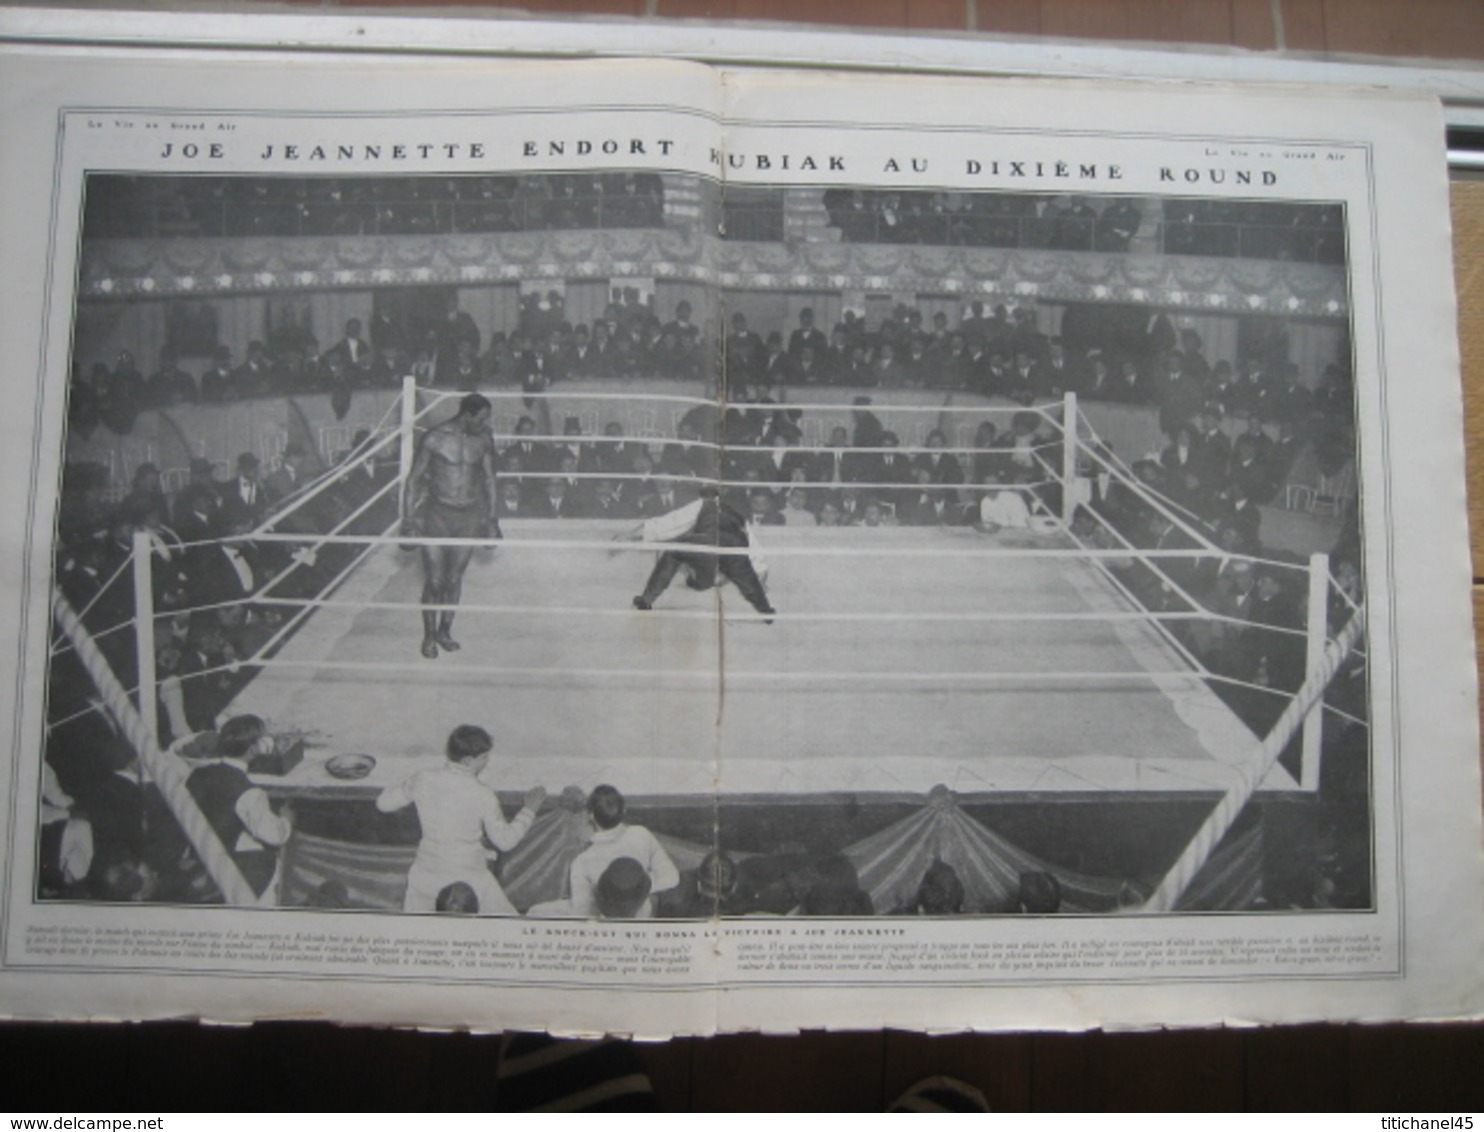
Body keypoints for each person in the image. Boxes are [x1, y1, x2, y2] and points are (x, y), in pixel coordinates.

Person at [375, 724, 545, 915]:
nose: (487, 762)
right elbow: (505, 842)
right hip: (469, 879)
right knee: (507, 926)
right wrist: (529, 810)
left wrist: (407, 782)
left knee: (419, 930)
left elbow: (383, 804)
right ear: (467, 760)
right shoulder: (483, 794)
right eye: (484, 757)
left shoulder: (423, 779)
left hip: (426, 876)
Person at [401, 393, 501, 659]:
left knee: (454, 578)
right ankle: (429, 636)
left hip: (468, 515)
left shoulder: (483, 440)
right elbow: (413, 481)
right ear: (467, 415)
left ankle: (445, 631)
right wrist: (408, 521)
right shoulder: (435, 438)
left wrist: (492, 519)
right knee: (434, 580)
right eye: (481, 418)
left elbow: (490, 480)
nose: (485, 423)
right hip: (437, 514)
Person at [181, 713, 294, 905]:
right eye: (261, 740)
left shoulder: (197, 773)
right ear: (251, 751)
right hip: (225, 868)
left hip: (197, 854)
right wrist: (286, 820)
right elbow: (274, 835)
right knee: (271, 856)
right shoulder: (248, 793)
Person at [621, 484, 775, 620]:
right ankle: (766, 611)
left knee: (674, 552)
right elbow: (754, 549)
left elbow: (668, 524)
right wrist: (761, 577)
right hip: (733, 548)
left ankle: (647, 600)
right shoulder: (737, 515)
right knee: (748, 581)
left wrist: (632, 534)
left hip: (707, 543)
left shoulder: (702, 504)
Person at [567, 785, 678, 919]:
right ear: (624, 811)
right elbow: (671, 877)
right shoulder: (641, 834)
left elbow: (581, 913)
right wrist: (637, 890)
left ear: (591, 816)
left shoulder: (581, 862)